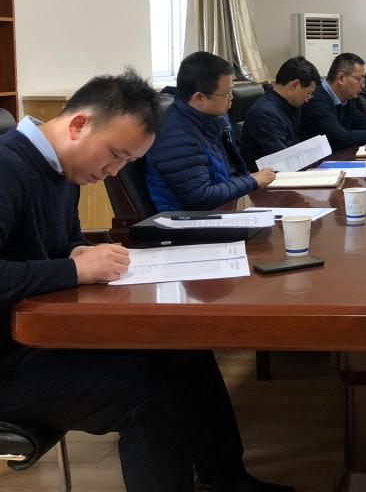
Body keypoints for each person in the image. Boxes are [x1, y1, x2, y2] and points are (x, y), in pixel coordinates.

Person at [0, 70, 293, 492]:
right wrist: (75, 269)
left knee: (185, 350)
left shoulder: (61, 168)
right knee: (150, 395)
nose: (113, 172)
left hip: (39, 333)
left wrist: (78, 250)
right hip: (10, 361)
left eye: (126, 163)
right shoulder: (8, 168)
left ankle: (226, 479)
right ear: (79, 124)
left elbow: (61, 241)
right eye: (115, 155)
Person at [147, 52, 275, 211]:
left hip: (224, 208)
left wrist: (251, 180)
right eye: (227, 93)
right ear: (199, 98)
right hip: (191, 221)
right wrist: (253, 181)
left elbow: (232, 175)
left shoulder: (212, 120)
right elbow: (202, 198)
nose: (231, 97)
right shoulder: (176, 137)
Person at [298, 52, 366, 151]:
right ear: (341, 78)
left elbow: (365, 125)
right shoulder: (316, 99)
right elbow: (341, 137)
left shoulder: (346, 99)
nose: (363, 85)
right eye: (359, 79)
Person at [239, 56, 320, 170]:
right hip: (267, 176)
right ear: (295, 85)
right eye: (308, 94)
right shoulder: (265, 114)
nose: (307, 99)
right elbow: (282, 159)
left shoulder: (291, 105)